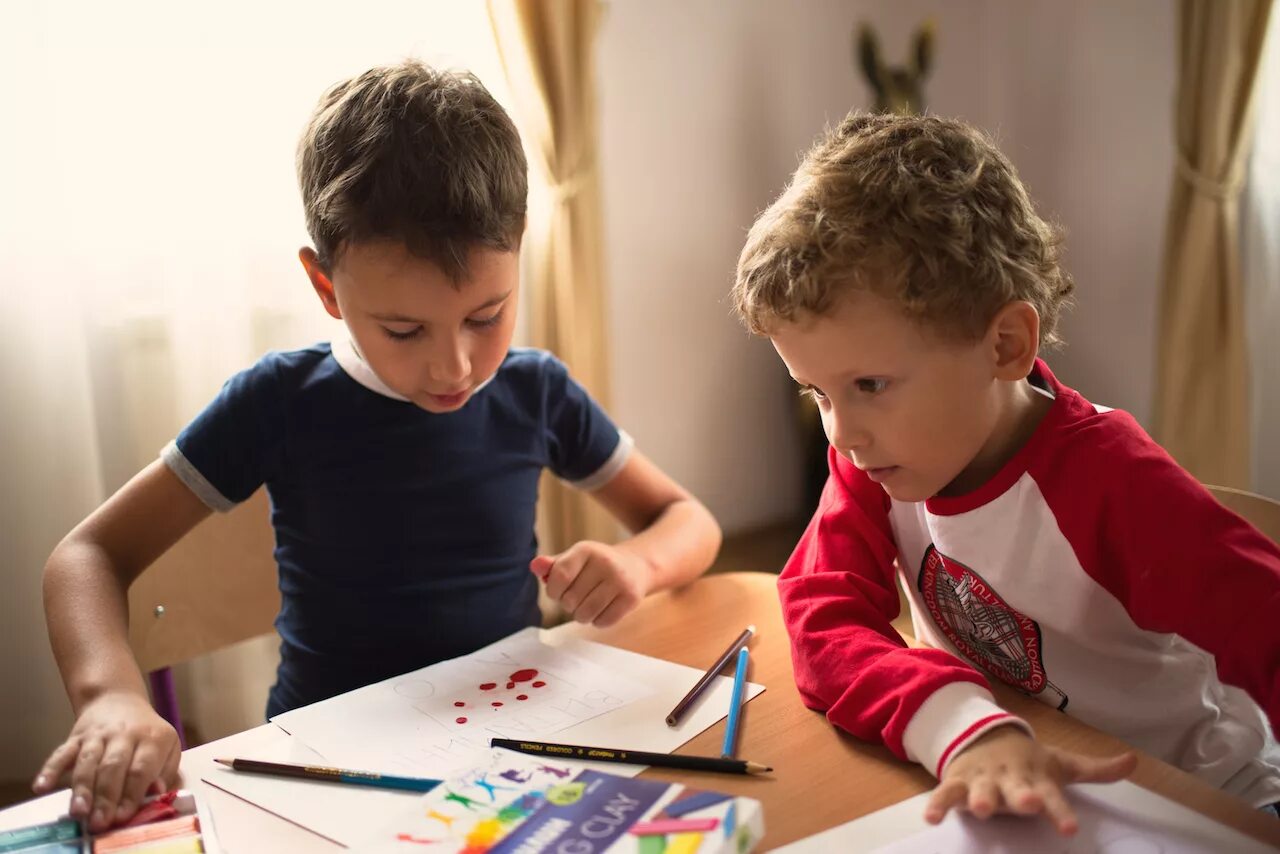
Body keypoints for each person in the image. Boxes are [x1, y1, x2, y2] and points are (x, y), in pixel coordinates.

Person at [33, 60, 721, 832]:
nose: (455, 365)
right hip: (326, 768)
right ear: (326, 288)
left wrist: (637, 562)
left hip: (511, 756)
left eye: (487, 315)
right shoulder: (278, 403)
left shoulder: (536, 392)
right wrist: (110, 695)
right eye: (405, 330)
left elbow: (689, 521)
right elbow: (85, 557)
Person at [730, 111, 1280, 832]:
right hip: (1019, 780)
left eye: (868, 385)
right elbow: (822, 617)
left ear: (1004, 346)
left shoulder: (1114, 483)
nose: (843, 431)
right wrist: (963, 725)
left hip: (1200, 799)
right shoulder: (875, 457)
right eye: (817, 393)